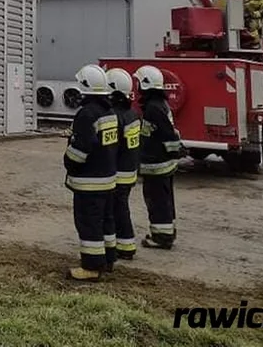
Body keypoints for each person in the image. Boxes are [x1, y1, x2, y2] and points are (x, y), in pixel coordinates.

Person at [63, 64, 118, 281]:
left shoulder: (86, 114)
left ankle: (91, 267)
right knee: (107, 221)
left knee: (89, 223)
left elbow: (81, 149)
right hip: (108, 180)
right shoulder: (110, 111)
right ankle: (108, 259)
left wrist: (68, 161)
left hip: (89, 182)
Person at [133, 65, 182, 249]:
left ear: (145, 85)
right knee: (163, 200)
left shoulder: (154, 108)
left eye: (138, 82)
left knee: (157, 201)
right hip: (161, 163)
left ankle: (162, 238)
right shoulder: (157, 105)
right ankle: (166, 232)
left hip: (157, 164)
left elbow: (167, 135)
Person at [105, 67, 141, 262]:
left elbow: (112, 147)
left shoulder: (116, 116)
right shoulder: (133, 114)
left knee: (115, 210)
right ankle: (126, 244)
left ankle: (125, 246)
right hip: (130, 170)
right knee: (121, 207)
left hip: (118, 172)